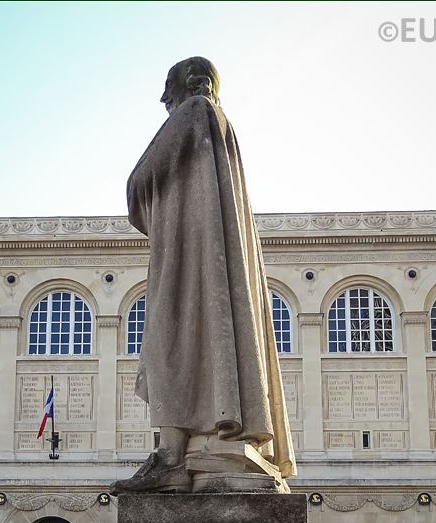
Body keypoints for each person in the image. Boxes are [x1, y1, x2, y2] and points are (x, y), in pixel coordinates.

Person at [109, 57, 296, 493]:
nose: (162, 98)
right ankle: (186, 447)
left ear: (189, 84)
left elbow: (138, 184)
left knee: (171, 340)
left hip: (188, 258)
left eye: (166, 86)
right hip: (196, 250)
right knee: (190, 341)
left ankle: (173, 456)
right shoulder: (221, 125)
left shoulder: (194, 112)